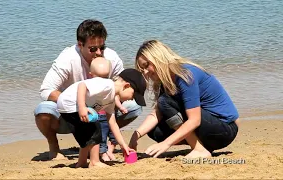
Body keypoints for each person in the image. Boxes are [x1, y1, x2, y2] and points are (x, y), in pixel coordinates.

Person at [33, 19, 142, 160]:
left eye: (102, 47)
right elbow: (46, 90)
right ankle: (54, 147)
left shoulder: (111, 58)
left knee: (134, 106)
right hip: (71, 113)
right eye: (93, 49)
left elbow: (122, 87)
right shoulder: (68, 58)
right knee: (43, 110)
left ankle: (106, 146)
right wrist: (80, 105)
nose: (98, 52)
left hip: (100, 111)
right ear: (80, 45)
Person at [129, 40, 240, 158]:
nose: (145, 72)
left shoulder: (185, 74)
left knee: (165, 101)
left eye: (146, 66)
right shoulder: (165, 81)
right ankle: (201, 147)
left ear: (158, 58)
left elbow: (195, 120)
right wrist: (135, 136)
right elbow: (156, 114)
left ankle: (199, 149)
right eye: (142, 70)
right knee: (155, 131)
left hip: (225, 129)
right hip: (208, 129)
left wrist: (166, 144)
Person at [57, 68, 147, 167]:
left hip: (72, 106)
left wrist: (123, 144)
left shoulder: (111, 99)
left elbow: (112, 122)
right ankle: (95, 161)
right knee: (96, 129)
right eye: (133, 96)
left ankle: (82, 162)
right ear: (126, 86)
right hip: (70, 103)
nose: (131, 99)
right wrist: (82, 106)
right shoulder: (107, 85)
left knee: (87, 135)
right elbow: (82, 85)